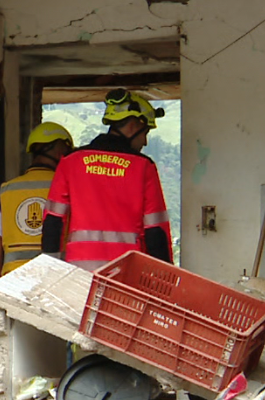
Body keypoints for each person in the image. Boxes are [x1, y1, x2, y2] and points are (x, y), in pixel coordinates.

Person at [41, 89, 173, 271]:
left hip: (79, 272)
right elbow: (156, 232)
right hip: (126, 274)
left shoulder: (71, 162)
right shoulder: (143, 166)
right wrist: (164, 278)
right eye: (145, 133)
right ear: (133, 126)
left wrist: (50, 269)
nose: (145, 142)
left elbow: (53, 222)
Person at [0, 122, 73, 279]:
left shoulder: (6, 190)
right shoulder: (68, 187)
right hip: (56, 277)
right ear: (60, 150)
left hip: (13, 278)